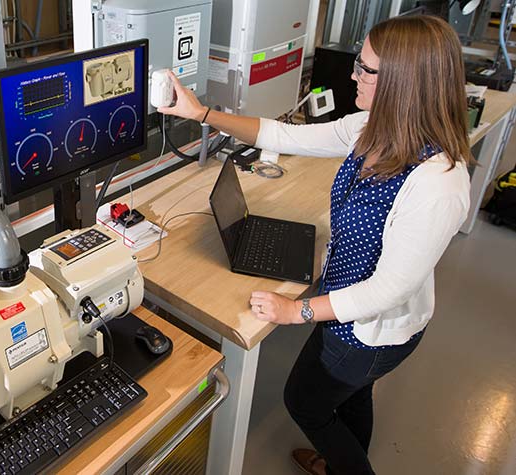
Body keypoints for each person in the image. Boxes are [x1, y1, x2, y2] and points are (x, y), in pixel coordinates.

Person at [158, 15, 471, 475]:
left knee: (304, 402)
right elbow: (283, 135)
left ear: (405, 82)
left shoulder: (438, 184)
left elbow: (388, 291)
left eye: (365, 69)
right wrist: (201, 113)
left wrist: (296, 311)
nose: (352, 75)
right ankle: (341, 461)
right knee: (353, 395)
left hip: (371, 328)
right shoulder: (374, 129)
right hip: (344, 301)